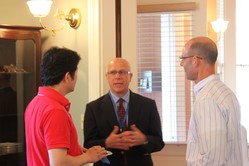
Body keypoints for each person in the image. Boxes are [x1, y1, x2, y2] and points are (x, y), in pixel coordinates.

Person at [25, 47, 107, 166]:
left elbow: (45, 144)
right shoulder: (55, 110)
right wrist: (88, 157)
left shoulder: (34, 103)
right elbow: (59, 163)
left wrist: (76, 148)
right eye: (76, 73)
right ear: (67, 76)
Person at [84, 57, 165, 166]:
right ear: (107, 77)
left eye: (122, 72)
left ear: (130, 77)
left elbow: (159, 142)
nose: (117, 76)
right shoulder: (93, 108)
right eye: (113, 72)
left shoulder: (148, 105)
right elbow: (88, 144)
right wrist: (106, 143)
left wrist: (145, 139)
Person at [180, 36, 243, 165]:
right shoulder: (226, 92)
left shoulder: (207, 99)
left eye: (183, 58)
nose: (181, 63)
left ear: (195, 60)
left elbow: (212, 158)